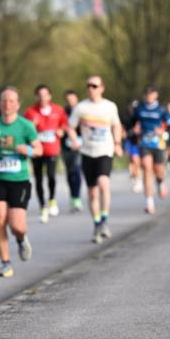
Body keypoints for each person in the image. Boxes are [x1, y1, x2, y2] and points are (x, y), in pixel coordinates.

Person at [0, 87, 42, 278]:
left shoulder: (26, 126)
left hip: (19, 181)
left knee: (17, 226)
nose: (7, 104)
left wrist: (27, 150)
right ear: (0, 104)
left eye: (11, 101)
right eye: (4, 100)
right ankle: (5, 263)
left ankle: (21, 239)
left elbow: (39, 150)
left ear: (18, 104)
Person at [66, 75, 123, 243]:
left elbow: (116, 125)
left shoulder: (110, 106)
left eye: (94, 86)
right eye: (89, 86)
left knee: (103, 183)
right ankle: (97, 223)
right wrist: (75, 140)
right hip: (87, 152)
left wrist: (117, 143)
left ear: (102, 88)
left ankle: (104, 219)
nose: (91, 89)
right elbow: (70, 127)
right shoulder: (81, 107)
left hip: (105, 150)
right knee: (92, 192)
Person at [23, 84, 67, 223]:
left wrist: (61, 131)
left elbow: (64, 124)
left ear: (50, 96)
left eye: (45, 95)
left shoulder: (58, 110)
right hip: (37, 151)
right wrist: (32, 125)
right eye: (40, 95)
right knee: (38, 178)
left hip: (52, 149)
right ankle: (43, 206)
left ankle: (52, 199)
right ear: (36, 96)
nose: (42, 98)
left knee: (51, 176)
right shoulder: (30, 112)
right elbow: (24, 130)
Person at [130, 86, 170, 215]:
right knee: (147, 169)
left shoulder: (161, 109)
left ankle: (160, 182)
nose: (149, 96)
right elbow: (132, 122)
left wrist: (163, 129)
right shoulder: (139, 108)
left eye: (151, 94)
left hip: (158, 143)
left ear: (156, 95)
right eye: (147, 94)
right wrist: (135, 129)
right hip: (144, 143)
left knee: (158, 169)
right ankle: (149, 203)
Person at [60, 89, 84, 212]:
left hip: (80, 145)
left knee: (76, 169)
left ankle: (77, 197)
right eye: (68, 99)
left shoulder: (82, 111)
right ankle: (72, 196)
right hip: (66, 146)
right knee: (69, 172)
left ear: (77, 98)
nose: (70, 101)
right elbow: (59, 126)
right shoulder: (63, 112)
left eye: (72, 99)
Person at [121, 99, 143, 194]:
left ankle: (138, 180)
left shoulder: (141, 116)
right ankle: (135, 175)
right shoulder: (126, 117)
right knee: (132, 159)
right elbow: (123, 130)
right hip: (129, 140)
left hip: (138, 141)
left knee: (136, 160)